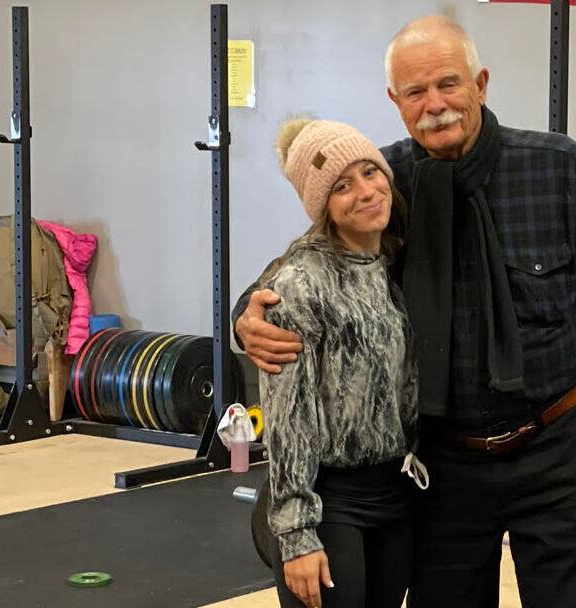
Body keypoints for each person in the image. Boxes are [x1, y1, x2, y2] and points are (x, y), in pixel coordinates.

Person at [234, 17, 576, 607]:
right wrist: (243, 322)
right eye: (415, 93)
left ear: (480, 83)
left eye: (448, 84)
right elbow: (296, 273)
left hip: (559, 451)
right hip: (441, 467)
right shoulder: (383, 181)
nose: (435, 106)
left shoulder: (560, 169)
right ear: (395, 101)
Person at [258, 116, 423, 608]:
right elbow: (286, 420)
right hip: (331, 504)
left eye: (371, 172)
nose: (366, 191)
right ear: (322, 207)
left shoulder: (393, 264)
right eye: (343, 186)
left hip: (396, 495)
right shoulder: (298, 285)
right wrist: (296, 534)